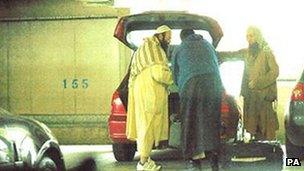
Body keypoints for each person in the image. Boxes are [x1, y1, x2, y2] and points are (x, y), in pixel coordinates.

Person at [171, 29, 223, 171]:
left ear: (183, 38)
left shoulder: (180, 48)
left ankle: (194, 162)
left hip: (191, 85)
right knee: (211, 122)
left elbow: (175, 75)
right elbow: (216, 64)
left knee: (190, 122)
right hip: (213, 85)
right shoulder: (208, 45)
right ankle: (214, 158)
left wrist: (181, 87)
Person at [218, 26, 279, 140]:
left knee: (266, 131)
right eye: (247, 36)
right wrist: (214, 54)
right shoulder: (247, 52)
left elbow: (275, 72)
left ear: (258, 36)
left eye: (251, 35)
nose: (248, 38)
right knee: (252, 129)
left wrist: (258, 82)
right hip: (250, 97)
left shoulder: (267, 52)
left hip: (264, 98)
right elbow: (232, 55)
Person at [126, 25, 173, 171]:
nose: (169, 41)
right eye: (168, 38)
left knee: (144, 126)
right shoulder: (155, 50)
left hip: (142, 93)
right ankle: (143, 162)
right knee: (147, 127)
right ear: (160, 36)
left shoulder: (143, 48)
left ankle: (146, 160)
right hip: (149, 95)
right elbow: (159, 74)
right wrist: (173, 78)